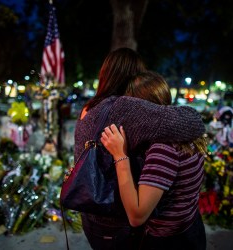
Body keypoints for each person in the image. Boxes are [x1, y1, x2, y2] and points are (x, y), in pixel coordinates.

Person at [75, 48, 205, 250]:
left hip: (90, 212)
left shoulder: (89, 108)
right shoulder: (126, 108)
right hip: (119, 221)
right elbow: (194, 121)